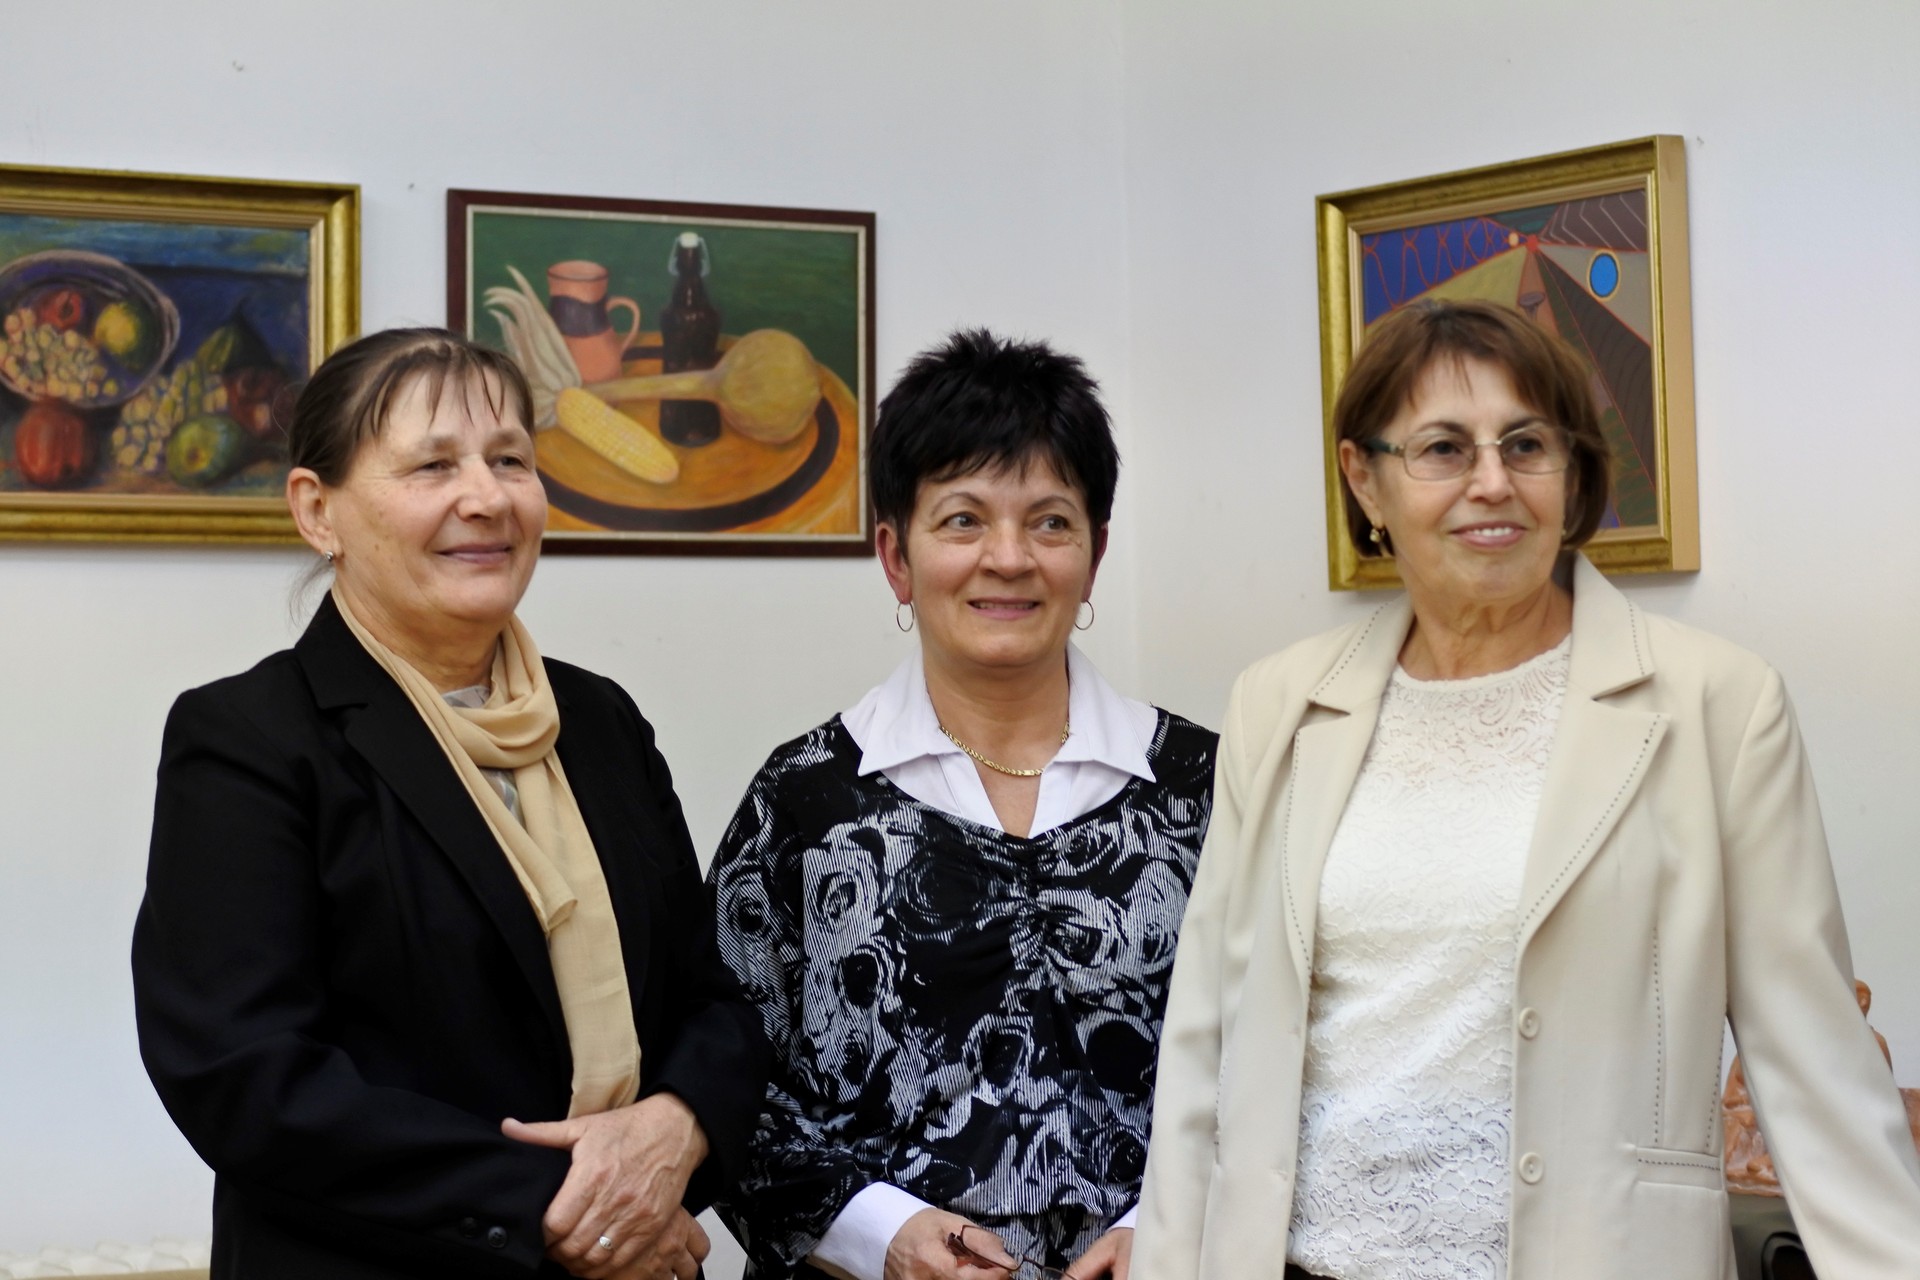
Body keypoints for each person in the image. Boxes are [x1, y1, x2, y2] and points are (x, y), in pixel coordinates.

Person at [1133, 300, 1920, 1280]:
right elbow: (1206, 1040)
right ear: (1364, 478)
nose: (1492, 482)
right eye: (1443, 448)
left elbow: (1815, 1063)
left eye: (1527, 444)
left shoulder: (1717, 702)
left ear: (1571, 471)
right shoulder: (1280, 702)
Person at [132, 328, 768, 1280]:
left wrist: (675, 1131)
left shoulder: (598, 720)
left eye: (510, 460)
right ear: (317, 510)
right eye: (433, 466)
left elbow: (712, 1000)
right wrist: (570, 1208)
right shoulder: (251, 738)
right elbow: (246, 1077)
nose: (488, 497)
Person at [707, 330, 1217, 1280]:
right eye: (963, 520)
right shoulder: (804, 801)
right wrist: (883, 1235)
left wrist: (1168, 1227)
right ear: (895, 556)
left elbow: (1283, 1064)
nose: (1009, 558)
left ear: (1095, 554)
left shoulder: (1207, 788)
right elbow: (723, 1087)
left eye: (1051, 522)